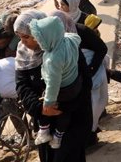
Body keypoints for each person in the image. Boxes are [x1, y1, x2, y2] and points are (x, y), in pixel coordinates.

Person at [14, 10, 92, 162]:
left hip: (72, 122)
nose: (23, 42)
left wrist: (64, 105)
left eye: (27, 37)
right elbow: (22, 86)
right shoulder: (23, 55)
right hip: (45, 126)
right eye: (20, 37)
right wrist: (40, 108)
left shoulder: (64, 47)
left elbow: (84, 82)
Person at [28, 16, 82, 149]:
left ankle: (45, 132)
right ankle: (58, 137)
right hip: (74, 84)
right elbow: (76, 37)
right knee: (66, 112)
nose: (37, 41)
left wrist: (48, 102)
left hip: (61, 89)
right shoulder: (69, 40)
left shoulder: (53, 59)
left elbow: (53, 83)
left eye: (40, 38)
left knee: (48, 109)